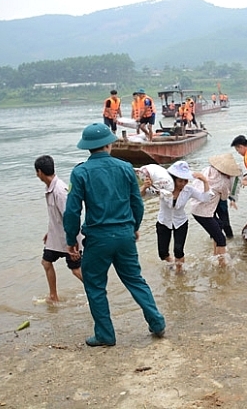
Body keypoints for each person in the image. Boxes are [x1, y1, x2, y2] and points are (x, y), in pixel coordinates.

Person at [63, 123, 166, 347]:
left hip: (98, 239)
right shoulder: (126, 168)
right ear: (109, 144)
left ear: (88, 148)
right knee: (135, 279)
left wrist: (71, 240)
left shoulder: (80, 172)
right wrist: (134, 227)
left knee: (95, 285)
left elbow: (72, 210)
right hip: (124, 235)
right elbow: (136, 203)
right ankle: (157, 322)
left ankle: (105, 335)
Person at [140, 161, 212, 273]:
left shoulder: (189, 190)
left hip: (181, 222)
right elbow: (141, 196)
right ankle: (171, 261)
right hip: (163, 221)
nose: (183, 184)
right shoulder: (162, 188)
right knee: (162, 254)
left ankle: (179, 272)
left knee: (178, 250)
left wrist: (205, 181)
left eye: (185, 181)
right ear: (173, 179)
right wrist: (145, 186)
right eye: (180, 181)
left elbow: (205, 198)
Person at [34, 155, 83, 304]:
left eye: (36, 172)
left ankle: (96, 291)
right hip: (57, 238)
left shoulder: (60, 191)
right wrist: (50, 232)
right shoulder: (50, 188)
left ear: (40, 172)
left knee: (76, 270)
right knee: (46, 263)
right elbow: (58, 216)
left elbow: (70, 216)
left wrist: (73, 243)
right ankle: (53, 296)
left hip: (69, 239)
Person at [188, 154, 242, 267]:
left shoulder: (207, 170)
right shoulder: (223, 182)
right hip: (205, 213)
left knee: (218, 225)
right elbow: (223, 197)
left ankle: (215, 255)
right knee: (221, 239)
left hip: (195, 206)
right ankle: (222, 265)